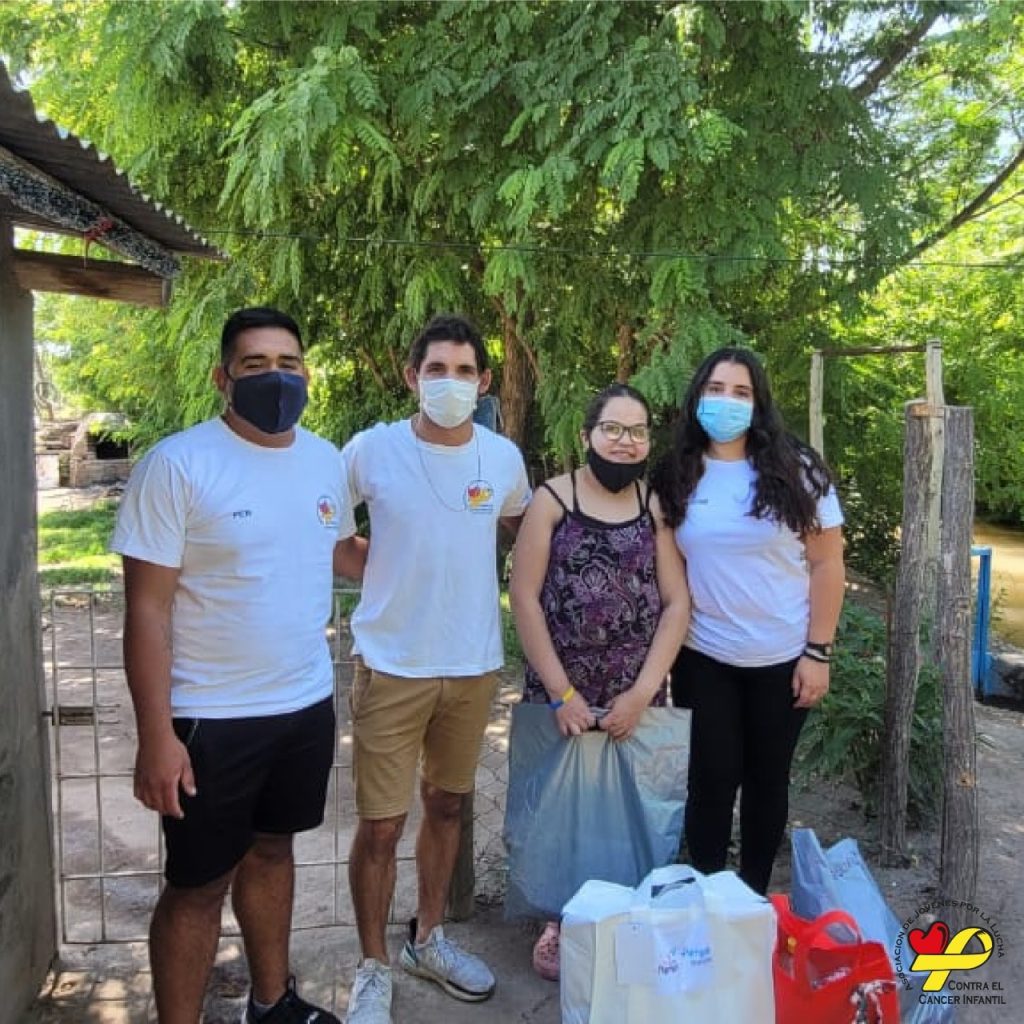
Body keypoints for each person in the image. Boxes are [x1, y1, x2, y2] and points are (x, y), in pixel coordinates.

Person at [110, 307, 365, 1024]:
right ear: (222, 378)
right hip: (209, 718)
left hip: (304, 704)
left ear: (306, 373)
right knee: (197, 885)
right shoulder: (178, 465)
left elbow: (340, 552)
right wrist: (156, 736)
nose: (276, 378)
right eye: (255, 365)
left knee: (274, 852)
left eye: (289, 363)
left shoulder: (324, 459)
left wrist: (439, 545)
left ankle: (272, 1003)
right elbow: (146, 612)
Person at [340, 314, 530, 1024]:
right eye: (436, 370)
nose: (450, 383)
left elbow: (523, 532)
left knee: (447, 806)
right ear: (411, 376)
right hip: (392, 664)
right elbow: (329, 530)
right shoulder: (371, 450)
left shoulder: (502, 458)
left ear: (484, 381)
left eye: (464, 371)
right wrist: (385, 570)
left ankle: (427, 939)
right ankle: (372, 967)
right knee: (381, 826)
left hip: (472, 663)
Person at [508, 382, 690, 980]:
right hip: (562, 687)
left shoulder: (654, 505)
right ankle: (557, 918)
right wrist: (563, 694)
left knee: (628, 804)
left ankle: (623, 913)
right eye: (612, 428)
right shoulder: (551, 500)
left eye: (637, 431)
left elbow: (676, 603)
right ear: (588, 435)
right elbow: (524, 599)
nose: (624, 441)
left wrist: (641, 693)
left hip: (636, 689)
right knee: (560, 803)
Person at [651, 346, 845, 895]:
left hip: (784, 659)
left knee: (767, 782)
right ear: (697, 397)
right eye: (716, 389)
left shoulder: (798, 469)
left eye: (741, 392)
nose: (727, 402)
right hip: (703, 656)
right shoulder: (676, 473)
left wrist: (818, 652)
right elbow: (670, 572)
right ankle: (709, 895)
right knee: (710, 781)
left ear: (759, 403)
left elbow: (827, 564)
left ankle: (754, 896)